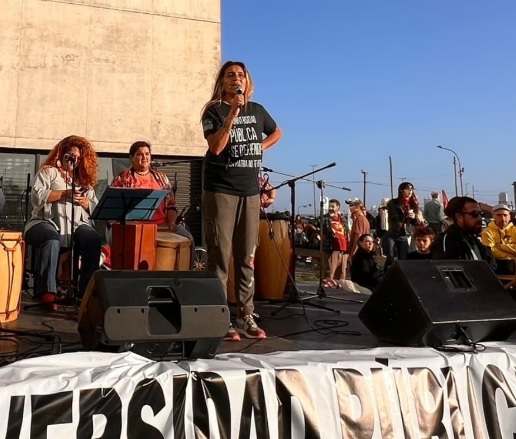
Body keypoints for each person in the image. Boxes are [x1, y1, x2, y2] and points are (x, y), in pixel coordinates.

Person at [201, 60, 282, 341]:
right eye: (230, 75)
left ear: (247, 81)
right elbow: (216, 146)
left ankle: (246, 313)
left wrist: (260, 147)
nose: (237, 79)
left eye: (241, 75)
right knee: (220, 256)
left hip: (250, 191)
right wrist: (232, 113)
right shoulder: (213, 110)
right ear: (222, 82)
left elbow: (277, 132)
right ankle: (219, 316)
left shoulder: (258, 110)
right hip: (221, 189)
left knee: (247, 256)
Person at [24, 135, 102, 304]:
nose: (74, 160)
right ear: (62, 154)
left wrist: (87, 203)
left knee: (93, 239)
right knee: (51, 238)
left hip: (76, 225)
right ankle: (47, 293)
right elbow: (36, 198)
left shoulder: (83, 179)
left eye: (78, 158)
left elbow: (96, 209)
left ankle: (85, 293)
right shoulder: (48, 171)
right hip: (44, 222)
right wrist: (63, 193)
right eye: (71, 156)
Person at [111, 140, 195, 266]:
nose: (144, 157)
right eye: (139, 154)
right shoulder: (123, 178)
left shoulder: (161, 178)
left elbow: (171, 206)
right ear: (131, 158)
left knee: (189, 238)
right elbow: (114, 207)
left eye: (147, 154)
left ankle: (185, 274)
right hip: (136, 228)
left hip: (162, 226)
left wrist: (172, 223)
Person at [431, 196, 494, 267]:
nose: (479, 218)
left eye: (481, 214)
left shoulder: (472, 238)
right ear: (459, 217)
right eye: (475, 214)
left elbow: (491, 264)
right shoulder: (446, 241)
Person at [382, 182, 423, 262]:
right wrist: (406, 214)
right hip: (393, 234)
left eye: (412, 189)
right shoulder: (393, 202)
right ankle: (388, 272)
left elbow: (416, 223)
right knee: (390, 257)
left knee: (404, 259)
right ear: (401, 190)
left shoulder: (413, 204)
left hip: (405, 235)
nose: (410, 191)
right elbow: (394, 218)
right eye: (408, 189)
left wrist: (414, 217)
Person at [480, 204, 516, 274]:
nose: (502, 218)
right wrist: (511, 256)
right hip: (499, 267)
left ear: (509, 217)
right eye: (499, 215)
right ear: (493, 216)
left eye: (505, 215)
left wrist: (499, 246)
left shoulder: (514, 230)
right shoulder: (487, 232)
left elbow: (494, 248)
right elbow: (491, 251)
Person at [323, 199, 349, 280]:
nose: (330, 208)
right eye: (329, 206)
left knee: (341, 272)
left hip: (343, 249)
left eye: (332, 206)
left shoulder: (342, 219)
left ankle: (339, 289)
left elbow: (347, 231)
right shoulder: (324, 219)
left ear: (338, 207)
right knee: (330, 272)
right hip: (331, 248)